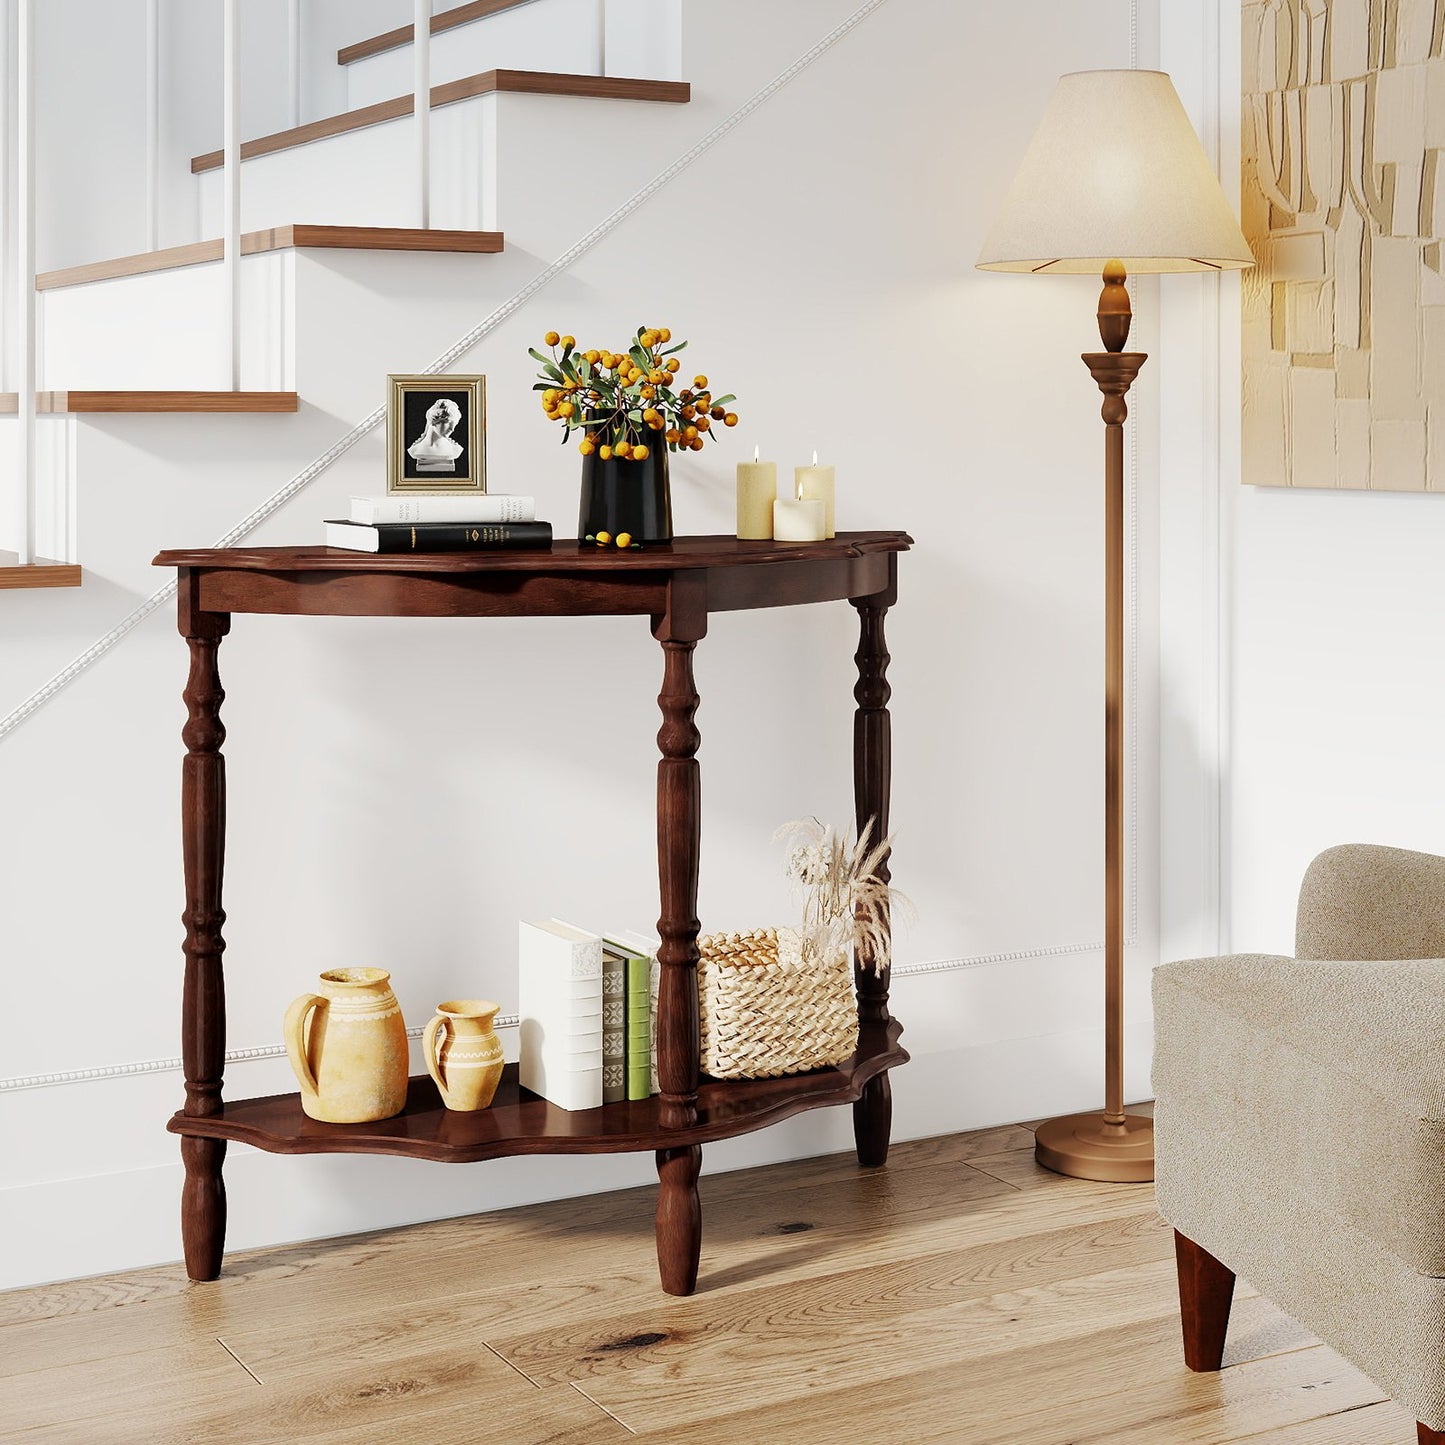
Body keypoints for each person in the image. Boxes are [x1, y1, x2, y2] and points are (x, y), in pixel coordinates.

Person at [408, 398, 464, 472]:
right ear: (434, 420)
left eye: (455, 424)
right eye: (448, 422)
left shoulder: (455, 450)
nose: (452, 429)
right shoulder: (415, 450)